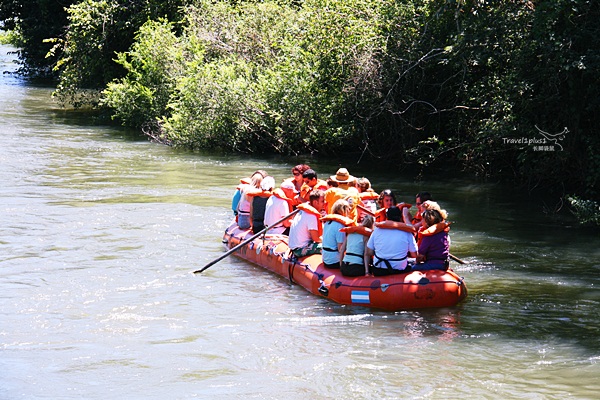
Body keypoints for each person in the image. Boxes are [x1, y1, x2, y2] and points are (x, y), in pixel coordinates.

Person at [365, 206, 417, 276]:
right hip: (399, 270)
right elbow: (414, 255)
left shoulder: (377, 230)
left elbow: (369, 251)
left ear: (387, 217)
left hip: (379, 270)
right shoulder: (407, 232)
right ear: (400, 217)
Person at [288, 189, 326, 258]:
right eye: (322, 201)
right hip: (299, 249)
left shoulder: (303, 211)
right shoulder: (311, 216)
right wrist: (327, 241)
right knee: (328, 248)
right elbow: (316, 238)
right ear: (315, 202)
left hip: (296, 246)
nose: (324, 203)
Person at [321, 199, 353, 269]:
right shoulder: (340, 226)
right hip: (334, 261)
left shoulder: (327, 222)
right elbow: (340, 249)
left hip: (325, 258)